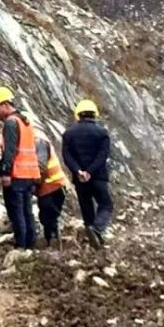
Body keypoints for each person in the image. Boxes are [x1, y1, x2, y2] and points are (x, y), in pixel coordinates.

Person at [0, 86, 40, 250]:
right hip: (29, 175)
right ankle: (30, 246)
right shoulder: (24, 122)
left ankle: (21, 247)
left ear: (4, 105)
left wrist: (5, 172)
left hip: (16, 175)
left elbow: (10, 151)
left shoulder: (11, 123)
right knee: (27, 212)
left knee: (17, 214)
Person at [62, 99, 112, 248]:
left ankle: (91, 234)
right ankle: (97, 229)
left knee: (86, 206)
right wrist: (90, 171)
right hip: (98, 176)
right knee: (105, 205)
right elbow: (103, 155)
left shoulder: (68, 133)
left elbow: (67, 156)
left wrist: (79, 171)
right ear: (94, 114)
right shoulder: (102, 133)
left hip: (79, 179)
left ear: (78, 114)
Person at [34, 130, 67, 249]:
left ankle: (53, 243)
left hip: (53, 185)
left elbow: (40, 167)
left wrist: (32, 184)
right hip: (49, 187)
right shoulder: (36, 141)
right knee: (47, 216)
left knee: (49, 216)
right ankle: (52, 242)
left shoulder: (38, 141)